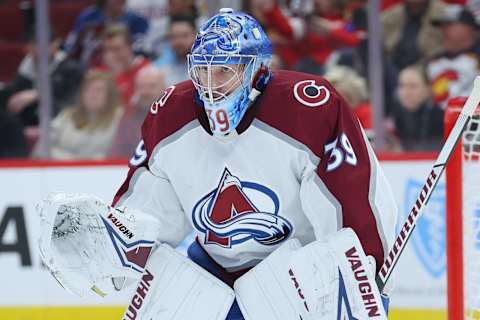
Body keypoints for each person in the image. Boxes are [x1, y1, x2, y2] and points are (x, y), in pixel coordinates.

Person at [38, 8, 397, 320]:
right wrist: (116, 241)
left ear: (257, 70)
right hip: (210, 271)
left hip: (293, 274)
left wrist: (361, 274)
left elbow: (352, 202)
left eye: (224, 71)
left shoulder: (308, 110)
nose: (211, 86)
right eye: (203, 71)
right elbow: (150, 210)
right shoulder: (170, 115)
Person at [33, 70, 123, 160]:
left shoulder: (119, 118)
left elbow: (121, 153)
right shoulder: (66, 116)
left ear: (110, 95)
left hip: (103, 171)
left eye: (99, 90)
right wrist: (72, 162)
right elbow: (41, 148)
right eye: (88, 89)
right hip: (62, 170)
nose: (92, 94)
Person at [108, 65, 166, 157]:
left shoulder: (173, 114)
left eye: (152, 86)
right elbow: (116, 151)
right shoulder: (127, 116)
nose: (146, 92)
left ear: (164, 88)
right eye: (141, 87)